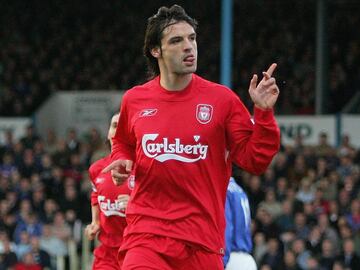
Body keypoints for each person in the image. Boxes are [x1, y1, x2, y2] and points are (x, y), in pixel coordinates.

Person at [104, 5, 280, 269]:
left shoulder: (222, 100)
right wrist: (122, 158)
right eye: (176, 40)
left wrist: (263, 113)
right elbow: (123, 141)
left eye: (192, 38)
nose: (189, 46)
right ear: (156, 50)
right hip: (146, 236)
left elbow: (255, 160)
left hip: (201, 242)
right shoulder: (135, 99)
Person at [85, 113, 132, 270]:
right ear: (108, 133)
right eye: (114, 126)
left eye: (122, 126)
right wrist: (95, 222)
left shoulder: (145, 169)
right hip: (107, 254)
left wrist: (136, 204)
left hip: (136, 249)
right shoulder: (96, 169)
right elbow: (95, 195)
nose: (117, 131)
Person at [224, 177, 257, 270]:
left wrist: (223, 261)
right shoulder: (239, 190)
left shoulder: (224, 190)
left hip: (231, 259)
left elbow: (226, 227)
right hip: (247, 259)